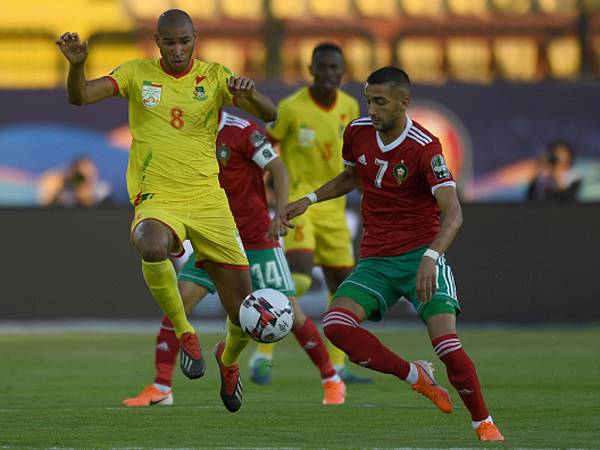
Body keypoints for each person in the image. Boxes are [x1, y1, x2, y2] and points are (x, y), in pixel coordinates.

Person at [56, 9, 277, 413]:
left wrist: (249, 94)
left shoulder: (213, 76)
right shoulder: (137, 73)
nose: (178, 50)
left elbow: (270, 114)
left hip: (209, 200)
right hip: (157, 195)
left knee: (245, 314)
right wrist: (78, 66)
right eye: (170, 42)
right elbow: (81, 96)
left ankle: (227, 362)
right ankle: (185, 332)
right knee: (150, 242)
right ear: (157, 42)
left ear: (195, 39)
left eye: (185, 42)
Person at [280, 67, 505, 442]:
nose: (372, 109)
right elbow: (352, 177)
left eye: (380, 102)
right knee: (336, 325)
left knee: (448, 347)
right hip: (376, 260)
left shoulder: (425, 147)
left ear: (404, 103)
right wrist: (309, 199)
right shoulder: (356, 132)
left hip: (420, 257)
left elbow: (453, 212)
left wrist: (432, 257)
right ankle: (416, 375)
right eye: (368, 100)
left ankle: (483, 422)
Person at [122, 111, 346, 406]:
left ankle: (331, 380)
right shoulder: (182, 128)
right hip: (213, 236)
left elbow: (277, 168)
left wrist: (279, 211)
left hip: (255, 237)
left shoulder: (243, 130)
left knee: (290, 314)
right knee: (177, 305)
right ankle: (162, 387)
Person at [253, 42, 372, 385]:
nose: (330, 74)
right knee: (301, 278)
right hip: (297, 206)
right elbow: (264, 148)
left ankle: (339, 366)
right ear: (311, 70)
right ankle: (262, 355)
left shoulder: (351, 107)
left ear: (343, 71)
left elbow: (356, 163)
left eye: (336, 68)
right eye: (323, 68)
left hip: (334, 210)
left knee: (344, 290)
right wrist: (263, 194)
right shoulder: (291, 108)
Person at [43, 155, 111, 207]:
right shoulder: (65, 196)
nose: (87, 181)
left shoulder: (103, 194)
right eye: (82, 176)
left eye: (91, 175)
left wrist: (88, 199)